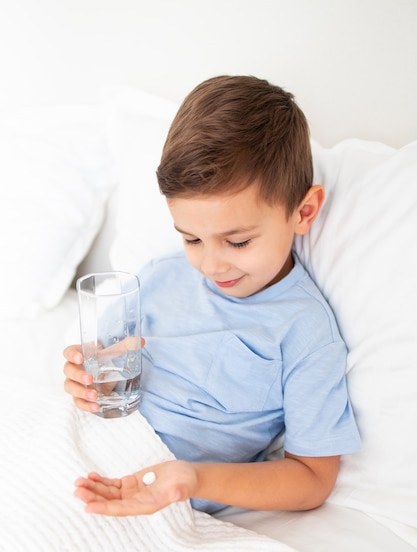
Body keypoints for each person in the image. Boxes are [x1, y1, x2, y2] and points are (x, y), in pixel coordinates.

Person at [65, 75, 360, 517]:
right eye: (191, 239)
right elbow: (101, 371)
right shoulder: (159, 276)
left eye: (237, 242)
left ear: (303, 212)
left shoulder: (304, 330)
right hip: (81, 452)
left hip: (158, 492)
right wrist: (85, 381)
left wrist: (194, 478)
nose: (211, 266)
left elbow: (312, 477)